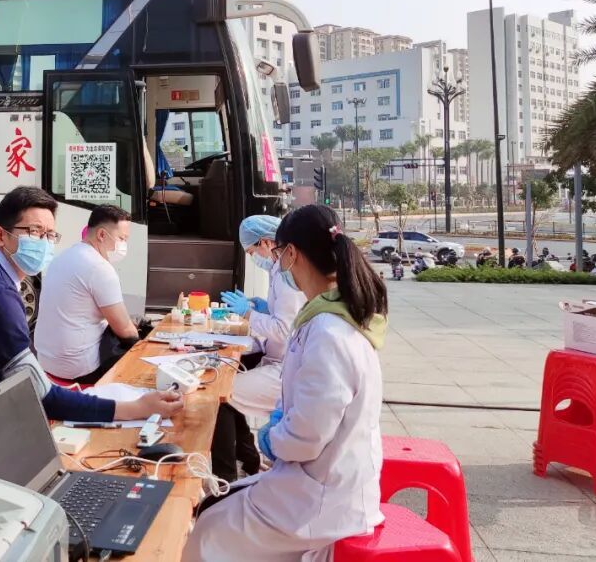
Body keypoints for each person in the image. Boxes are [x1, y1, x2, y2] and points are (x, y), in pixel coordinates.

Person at [184, 204, 388, 562]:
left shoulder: (329, 333)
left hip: (322, 502)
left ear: (291, 253)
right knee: (214, 507)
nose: (276, 263)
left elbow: (305, 439)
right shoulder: (330, 318)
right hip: (320, 483)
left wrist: (273, 437)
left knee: (205, 530)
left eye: (278, 254)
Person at [0, 187, 183, 424]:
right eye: (33, 232)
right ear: (0, 235)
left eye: (49, 235)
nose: (43, 243)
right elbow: (41, 396)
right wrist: (135, 409)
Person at [211, 215, 307, 480]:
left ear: (266, 242)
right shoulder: (278, 270)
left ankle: (224, 477)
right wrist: (259, 308)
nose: (253, 257)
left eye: (252, 251)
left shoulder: (286, 275)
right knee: (228, 384)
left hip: (287, 369)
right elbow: (282, 318)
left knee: (221, 394)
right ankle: (249, 459)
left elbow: (284, 329)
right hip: (280, 358)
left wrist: (249, 314)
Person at [34, 205, 139, 384]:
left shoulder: (62, 257)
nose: (123, 245)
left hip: (46, 361)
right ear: (102, 235)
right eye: (122, 239)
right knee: (135, 346)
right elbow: (124, 329)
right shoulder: (99, 268)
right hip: (79, 368)